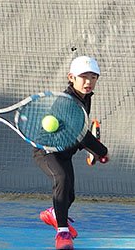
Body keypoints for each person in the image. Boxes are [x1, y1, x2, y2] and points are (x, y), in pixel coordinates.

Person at [35, 55, 109, 250]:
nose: (89, 82)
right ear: (71, 77)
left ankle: (53, 213)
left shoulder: (85, 98)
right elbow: (82, 135)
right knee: (61, 179)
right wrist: (102, 152)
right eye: (84, 77)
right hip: (47, 151)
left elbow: (79, 133)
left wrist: (94, 150)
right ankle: (62, 232)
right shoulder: (67, 101)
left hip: (64, 153)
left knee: (70, 195)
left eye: (93, 77)